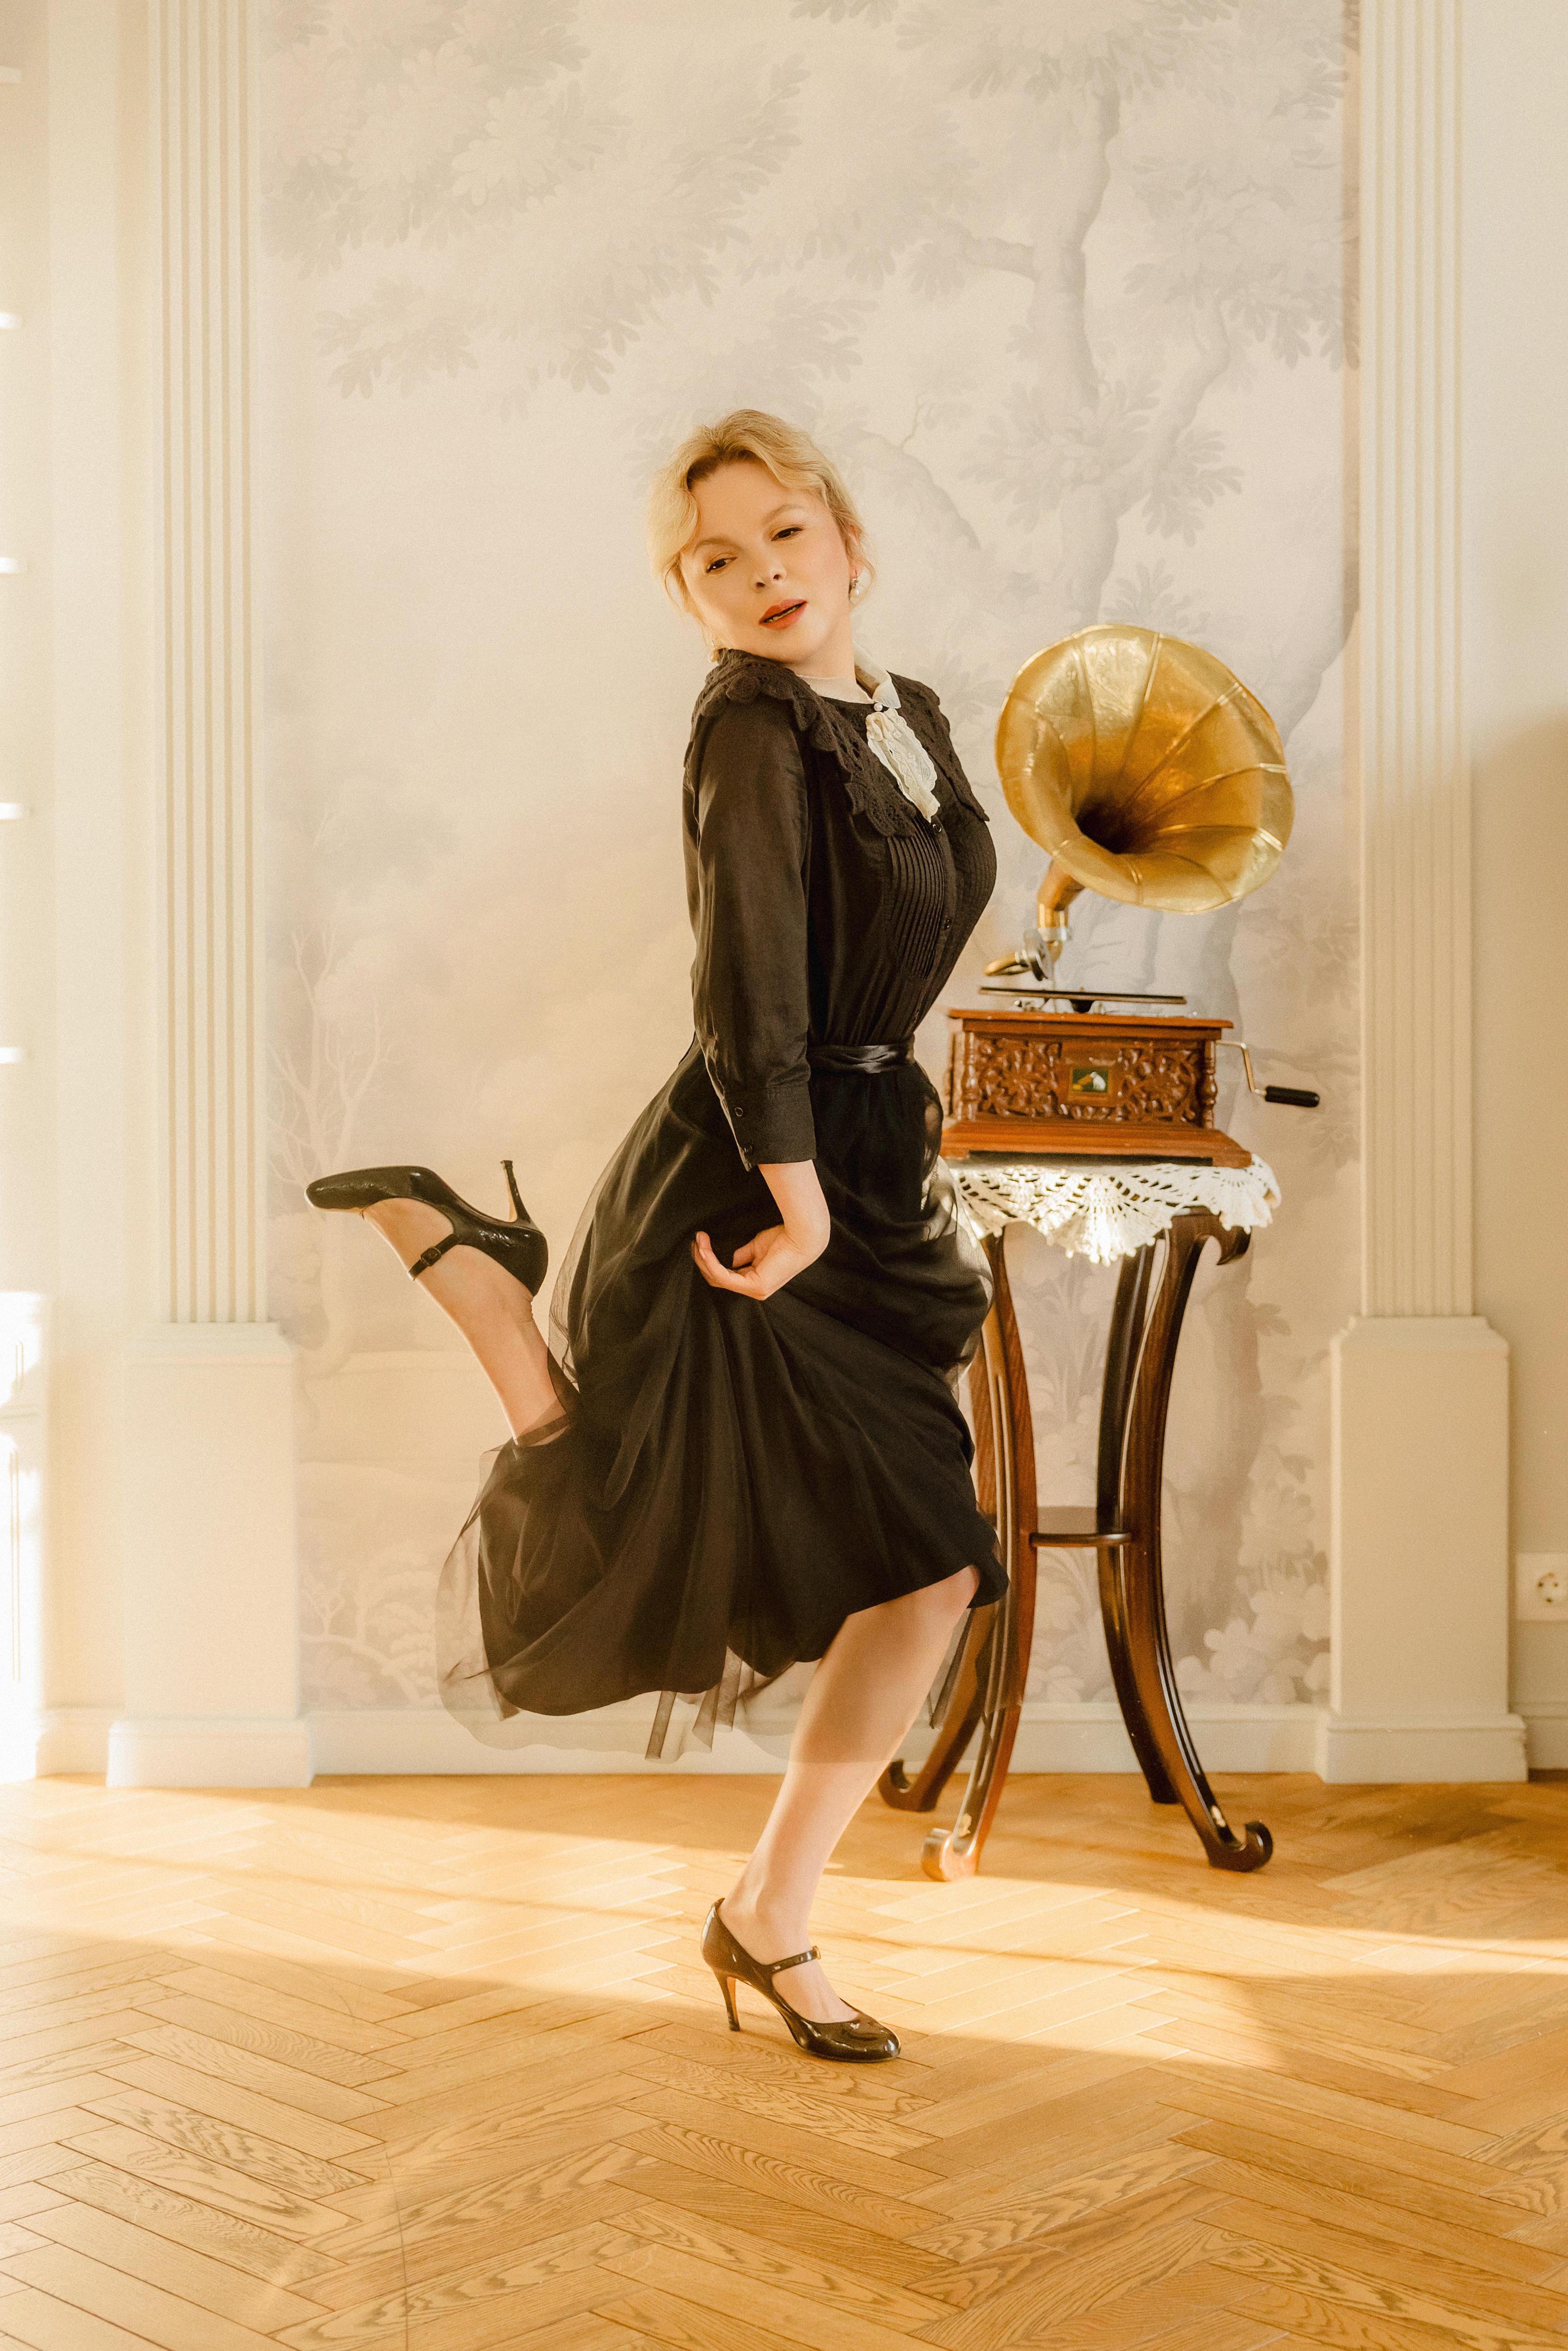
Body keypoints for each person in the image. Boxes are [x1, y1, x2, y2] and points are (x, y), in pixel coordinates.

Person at [308, 411, 1004, 2062]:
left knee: (892, 1564)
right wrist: (802, 1198)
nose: (763, 574)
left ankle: (490, 1288)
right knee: (843, 1547)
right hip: (762, 1170)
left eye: (786, 534)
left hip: (863, 1159)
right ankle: (768, 1913)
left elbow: (901, 936)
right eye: (716, 560)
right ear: (686, 600)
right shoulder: (751, 728)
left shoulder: (904, 713)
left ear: (850, 541)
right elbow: (745, 982)